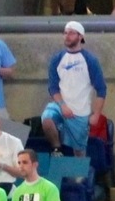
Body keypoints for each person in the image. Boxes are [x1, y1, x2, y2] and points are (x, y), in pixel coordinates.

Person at [41, 22, 106, 156]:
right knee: (47, 118)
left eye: (71, 33)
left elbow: (101, 89)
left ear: (80, 36)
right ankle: (56, 149)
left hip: (80, 111)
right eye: (65, 33)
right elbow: (53, 87)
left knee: (79, 152)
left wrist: (96, 114)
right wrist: (62, 105)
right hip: (61, 106)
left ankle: (80, 175)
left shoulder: (90, 60)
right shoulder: (57, 59)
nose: (67, 36)